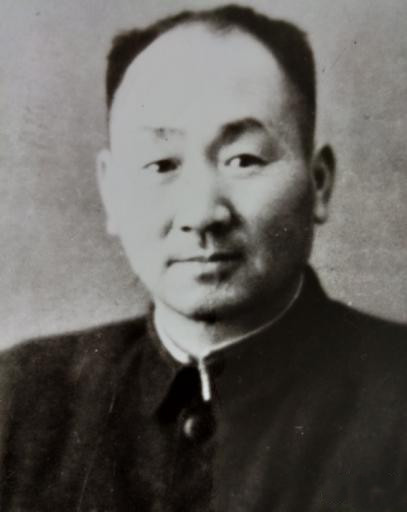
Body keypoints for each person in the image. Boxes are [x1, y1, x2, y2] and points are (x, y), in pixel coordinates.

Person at [0, 4, 406, 511]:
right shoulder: (18, 401)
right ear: (111, 192)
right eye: (161, 164)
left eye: (243, 159)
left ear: (319, 182)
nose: (201, 214)